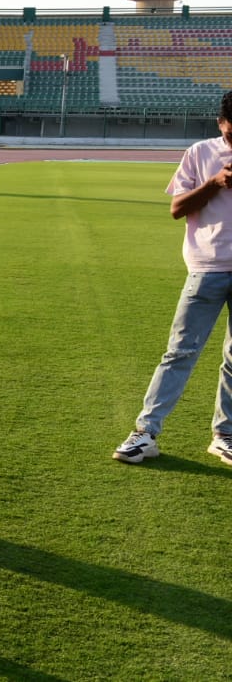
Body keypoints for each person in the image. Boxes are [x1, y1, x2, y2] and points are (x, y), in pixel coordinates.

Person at [113, 91, 232, 468]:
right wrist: (214, 183)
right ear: (220, 124)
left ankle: (224, 435)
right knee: (180, 351)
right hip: (208, 266)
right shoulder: (200, 152)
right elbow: (177, 209)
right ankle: (145, 433)